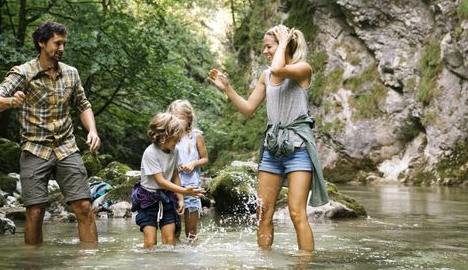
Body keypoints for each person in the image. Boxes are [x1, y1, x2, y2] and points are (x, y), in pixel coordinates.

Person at [208, 24, 329, 254]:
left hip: (298, 150)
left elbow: (279, 69)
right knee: (263, 211)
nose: (265, 51)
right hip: (272, 150)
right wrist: (227, 88)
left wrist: (283, 43)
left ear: (285, 45)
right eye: (264, 47)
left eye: (269, 46)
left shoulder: (303, 69)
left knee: (296, 213)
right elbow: (247, 108)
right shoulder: (266, 76)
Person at [0, 21, 100, 245]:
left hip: (66, 148)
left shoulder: (71, 74)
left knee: (85, 208)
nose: (62, 48)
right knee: (35, 212)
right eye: (57, 43)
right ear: (41, 42)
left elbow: (83, 105)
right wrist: (10, 101)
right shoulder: (23, 72)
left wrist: (93, 130)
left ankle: (88, 266)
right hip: (34, 149)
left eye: (64, 44)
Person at [132, 112, 206, 248]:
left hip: (167, 197)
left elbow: (175, 175)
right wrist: (185, 190)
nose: (178, 141)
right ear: (164, 137)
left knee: (170, 240)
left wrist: (181, 199)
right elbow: (161, 181)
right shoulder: (150, 153)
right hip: (148, 200)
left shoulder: (175, 150)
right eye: (175, 138)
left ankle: (169, 266)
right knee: (150, 242)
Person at [167, 99, 209, 242]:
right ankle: (176, 260)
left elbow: (205, 159)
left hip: (192, 187)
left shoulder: (196, 136)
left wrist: (193, 164)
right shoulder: (170, 136)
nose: (177, 120)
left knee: (191, 231)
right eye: (174, 117)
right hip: (173, 187)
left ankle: (192, 260)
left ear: (188, 118)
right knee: (174, 231)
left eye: (181, 117)